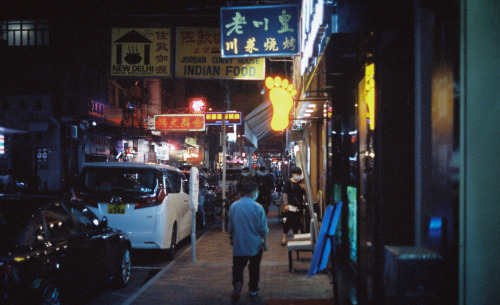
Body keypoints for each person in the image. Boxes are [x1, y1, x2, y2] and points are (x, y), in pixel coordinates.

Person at [228, 182, 269, 301]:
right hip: (255, 244)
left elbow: (231, 227)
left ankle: (237, 283)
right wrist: (265, 243)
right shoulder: (258, 207)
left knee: (238, 267)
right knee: (254, 268)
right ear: (252, 193)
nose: (257, 194)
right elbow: (263, 229)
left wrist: (232, 239)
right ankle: (253, 289)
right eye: (257, 192)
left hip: (239, 243)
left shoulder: (234, 206)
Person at [281, 167, 306, 246]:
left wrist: (304, 188)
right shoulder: (288, 182)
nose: (297, 175)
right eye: (296, 174)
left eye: (299, 174)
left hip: (299, 205)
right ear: (292, 174)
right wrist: (285, 204)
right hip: (290, 204)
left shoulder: (301, 182)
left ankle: (294, 237)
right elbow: (285, 193)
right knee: (288, 221)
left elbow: (305, 194)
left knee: (297, 221)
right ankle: (284, 237)